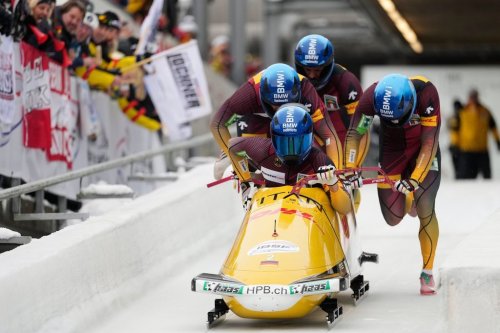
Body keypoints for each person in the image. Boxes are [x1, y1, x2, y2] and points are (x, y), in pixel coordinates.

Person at [343, 74, 441, 295]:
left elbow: (430, 141)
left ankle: (427, 271)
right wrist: (350, 166)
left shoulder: (426, 93)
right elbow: (355, 133)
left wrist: (415, 179)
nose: (396, 122)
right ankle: (409, 199)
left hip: (423, 152)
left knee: (426, 207)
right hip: (393, 151)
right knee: (392, 218)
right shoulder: (371, 98)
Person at [210, 63, 343, 182]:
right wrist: (241, 171)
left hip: (293, 123)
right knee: (251, 159)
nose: (282, 109)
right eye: (276, 104)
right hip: (256, 121)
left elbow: (329, 135)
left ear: (298, 95)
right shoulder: (248, 95)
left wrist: (335, 172)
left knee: (311, 147)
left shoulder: (306, 90)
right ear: (263, 98)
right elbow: (217, 124)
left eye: (287, 103)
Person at [228, 104, 351, 215]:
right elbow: (233, 147)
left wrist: (333, 185)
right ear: (273, 139)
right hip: (272, 213)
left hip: (308, 216)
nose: (291, 150)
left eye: (298, 142)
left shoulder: (319, 161)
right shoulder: (262, 149)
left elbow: (345, 209)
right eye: (284, 143)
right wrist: (246, 183)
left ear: (310, 138)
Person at [294, 34, 369, 211]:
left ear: (328, 66)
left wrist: (353, 165)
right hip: (313, 142)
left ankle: (348, 206)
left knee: (342, 182)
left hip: (343, 143)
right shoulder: (293, 81)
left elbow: (362, 127)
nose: (311, 75)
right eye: (306, 69)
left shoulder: (347, 81)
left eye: (318, 69)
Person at [455, 89, 500, 179]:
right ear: (468, 98)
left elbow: (493, 127)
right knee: (465, 179)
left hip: (482, 151)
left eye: (475, 96)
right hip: (466, 151)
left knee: (487, 178)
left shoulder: (485, 111)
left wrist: (497, 141)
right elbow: (455, 129)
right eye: (471, 97)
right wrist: (455, 144)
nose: (473, 99)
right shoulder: (462, 111)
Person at [447, 99, 463, 178]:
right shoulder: (453, 118)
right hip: (455, 145)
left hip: (460, 146)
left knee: (461, 168)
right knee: (457, 167)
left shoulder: (461, 117)